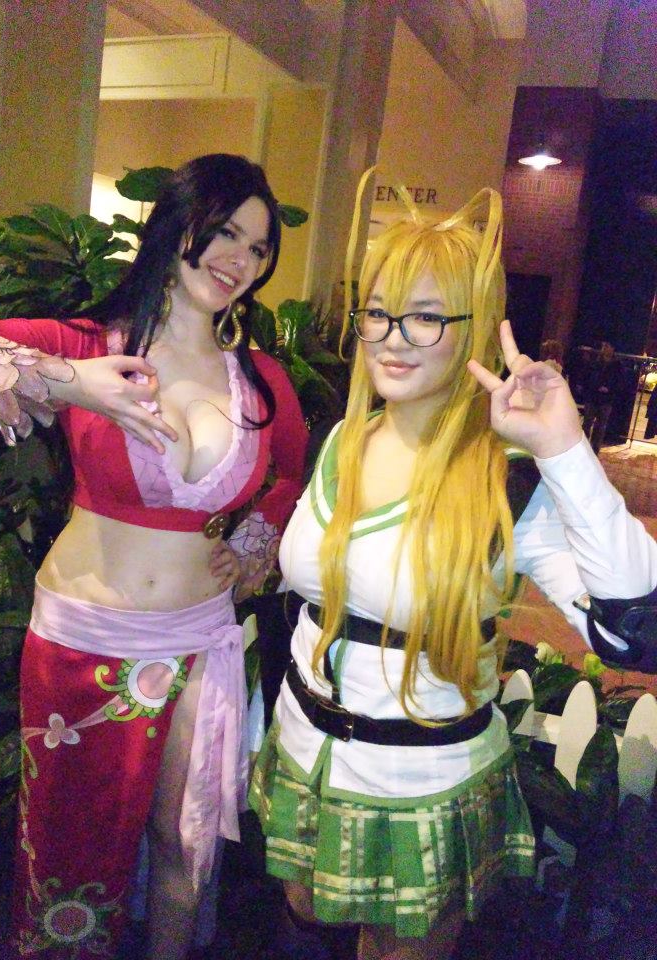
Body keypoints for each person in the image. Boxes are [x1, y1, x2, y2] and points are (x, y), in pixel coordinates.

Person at [249, 180, 657, 960]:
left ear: (473, 326)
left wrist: (564, 450)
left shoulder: (506, 477)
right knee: (300, 921)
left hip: (421, 784)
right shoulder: (339, 441)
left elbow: (637, 633)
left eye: (427, 316)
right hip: (306, 750)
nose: (394, 338)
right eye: (379, 312)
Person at [0, 153, 308, 960]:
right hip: (83, 640)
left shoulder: (259, 379)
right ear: (177, 225)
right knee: (68, 854)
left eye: (258, 247)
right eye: (225, 232)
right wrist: (72, 381)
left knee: (185, 843)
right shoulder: (86, 343)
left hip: (199, 637)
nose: (240, 259)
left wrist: (256, 534)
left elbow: (292, 469)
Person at [581, 340, 623, 454]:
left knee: (600, 427)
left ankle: (594, 450)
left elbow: (619, 382)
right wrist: (596, 386)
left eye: (607, 346)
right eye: (603, 346)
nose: (604, 348)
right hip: (593, 396)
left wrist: (609, 388)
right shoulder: (595, 362)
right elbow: (588, 377)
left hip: (606, 399)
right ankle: (583, 448)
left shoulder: (617, 365)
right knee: (587, 423)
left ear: (613, 348)